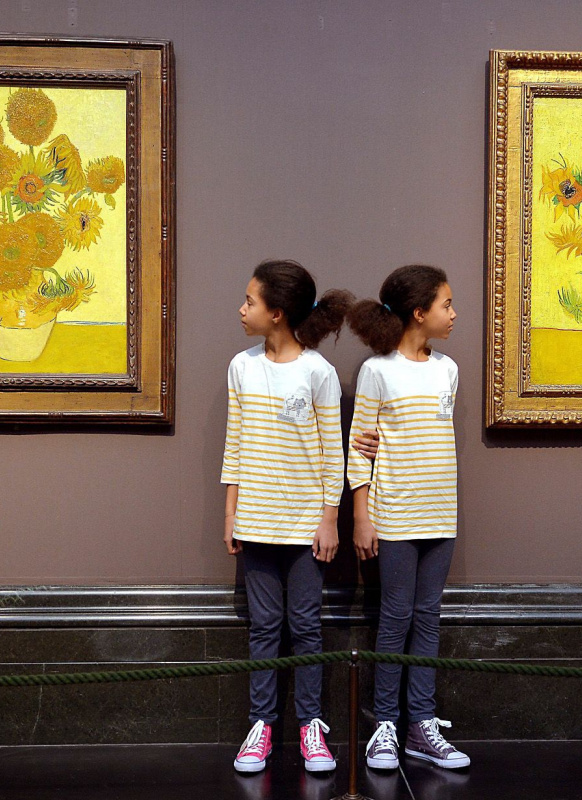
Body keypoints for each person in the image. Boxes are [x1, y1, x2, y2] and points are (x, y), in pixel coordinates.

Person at [221, 260, 353, 773]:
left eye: (249, 301)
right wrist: (231, 513)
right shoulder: (241, 366)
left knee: (305, 627)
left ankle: (310, 727)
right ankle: (261, 726)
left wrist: (329, 519)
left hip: (305, 527)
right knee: (264, 628)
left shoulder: (317, 371)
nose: (241, 309)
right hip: (255, 522)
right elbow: (235, 445)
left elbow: (333, 454)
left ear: (276, 313)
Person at [346, 264, 469, 771]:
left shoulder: (448, 369)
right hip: (395, 514)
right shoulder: (378, 371)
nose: (453, 313)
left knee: (428, 617)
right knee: (395, 617)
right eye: (446, 304)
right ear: (419, 312)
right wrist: (362, 516)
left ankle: (421, 724)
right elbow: (360, 449)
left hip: (441, 514)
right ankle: (385, 726)